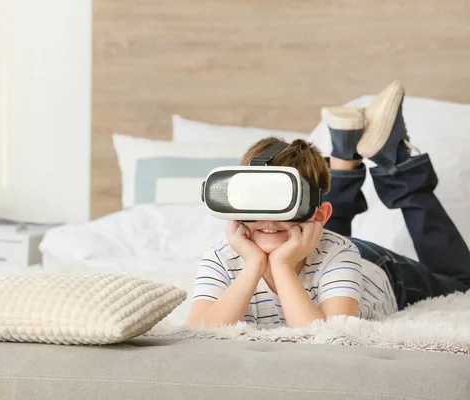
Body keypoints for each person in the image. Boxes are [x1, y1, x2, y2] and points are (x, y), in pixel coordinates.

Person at [186, 80, 470, 329]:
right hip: (312, 242)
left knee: (461, 284)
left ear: (320, 216)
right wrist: (254, 265)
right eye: (257, 203)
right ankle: (343, 155)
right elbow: (199, 331)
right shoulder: (221, 258)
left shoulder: (340, 253)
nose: (268, 219)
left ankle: (394, 159)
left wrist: (282, 267)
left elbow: (327, 337)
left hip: (375, 268)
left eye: (283, 204)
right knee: (307, 222)